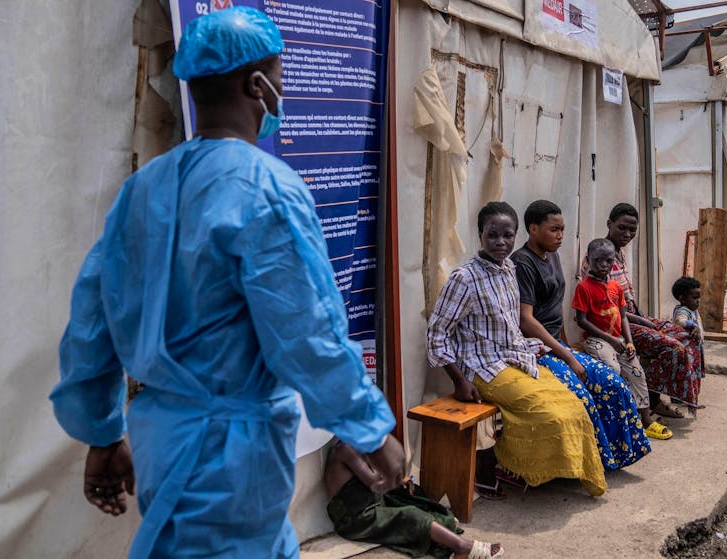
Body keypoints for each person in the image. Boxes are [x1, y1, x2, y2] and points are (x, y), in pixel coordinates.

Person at [50, 8, 403, 558]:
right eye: (280, 75)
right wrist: (370, 430)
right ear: (257, 85)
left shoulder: (142, 190)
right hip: (230, 456)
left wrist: (100, 434)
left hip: (160, 439)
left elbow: (90, 326)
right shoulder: (267, 189)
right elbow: (307, 335)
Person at [426, 201, 606, 498]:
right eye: (492, 235)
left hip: (515, 358)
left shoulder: (509, 268)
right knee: (549, 415)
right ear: (480, 235)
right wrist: (459, 380)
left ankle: (527, 470)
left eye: (507, 236)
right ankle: (507, 466)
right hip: (482, 368)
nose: (500, 242)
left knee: (573, 404)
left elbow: (511, 325)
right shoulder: (465, 278)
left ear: (516, 235)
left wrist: (537, 349)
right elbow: (436, 333)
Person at [511, 200, 650, 471]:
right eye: (554, 230)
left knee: (614, 384)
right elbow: (526, 320)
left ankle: (616, 455)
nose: (560, 236)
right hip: (535, 350)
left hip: (557, 345)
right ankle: (588, 464)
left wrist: (565, 344)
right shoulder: (522, 263)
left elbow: (555, 310)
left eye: (563, 229)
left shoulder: (551, 255)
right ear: (533, 229)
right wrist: (567, 355)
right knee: (582, 396)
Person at [604, 203, 704, 418]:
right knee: (674, 347)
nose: (628, 234)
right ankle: (652, 400)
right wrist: (644, 322)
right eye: (622, 228)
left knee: (687, 335)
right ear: (609, 224)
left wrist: (644, 318)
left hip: (633, 316)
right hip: (618, 324)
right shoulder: (601, 256)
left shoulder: (619, 254)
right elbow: (609, 307)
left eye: (633, 230)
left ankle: (677, 396)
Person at [325, 441, 504, 559]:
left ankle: (443, 537)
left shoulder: (361, 442)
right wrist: (395, 476)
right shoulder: (345, 449)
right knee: (410, 515)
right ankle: (462, 547)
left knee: (414, 494)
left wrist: (400, 479)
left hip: (375, 502)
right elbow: (375, 483)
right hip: (356, 519)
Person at [573, 238, 673, 440]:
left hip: (619, 339)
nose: (603, 265)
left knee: (637, 373)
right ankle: (620, 421)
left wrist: (628, 341)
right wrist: (610, 340)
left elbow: (623, 315)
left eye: (608, 261)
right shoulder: (584, 287)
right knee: (614, 371)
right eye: (598, 260)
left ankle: (645, 421)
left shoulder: (616, 287)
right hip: (596, 340)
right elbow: (581, 321)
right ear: (588, 260)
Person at [670, 277, 705, 418]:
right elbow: (680, 321)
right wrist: (693, 326)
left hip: (695, 350)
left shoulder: (693, 310)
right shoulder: (682, 310)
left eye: (699, 297)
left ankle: (690, 399)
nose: (698, 301)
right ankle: (685, 399)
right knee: (687, 376)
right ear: (682, 299)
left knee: (694, 376)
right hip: (686, 352)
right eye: (694, 297)